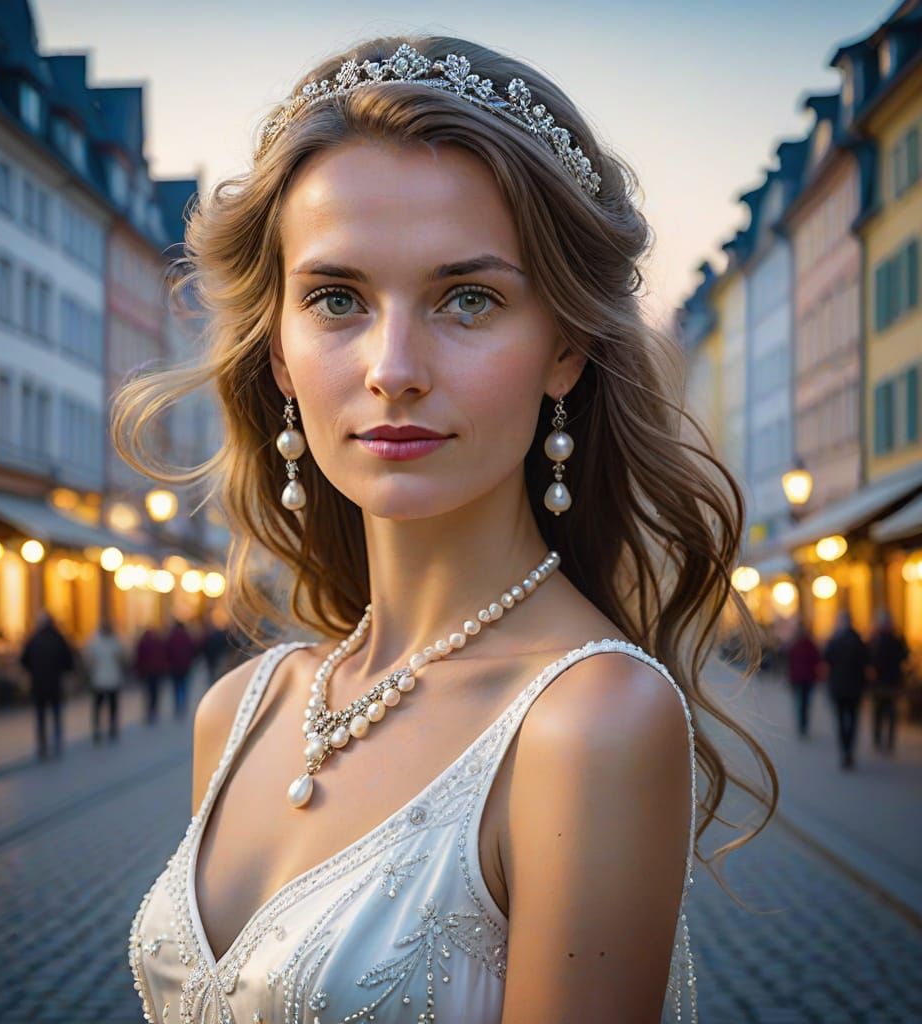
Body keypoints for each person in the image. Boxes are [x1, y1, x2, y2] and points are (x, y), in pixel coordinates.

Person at [115, 36, 779, 1023]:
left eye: (466, 299)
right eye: (335, 299)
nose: (393, 366)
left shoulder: (589, 722)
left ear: (563, 348)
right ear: (282, 356)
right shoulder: (240, 709)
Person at [20, 611, 75, 758]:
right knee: (56, 715)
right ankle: (57, 742)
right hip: (55, 684)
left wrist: (33, 670)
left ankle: (42, 743)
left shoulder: (33, 639)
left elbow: (23, 660)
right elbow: (69, 661)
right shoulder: (59, 639)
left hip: (38, 684)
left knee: (41, 716)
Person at [821, 608, 870, 770]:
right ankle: (849, 749)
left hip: (839, 687)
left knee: (841, 719)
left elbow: (826, 659)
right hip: (855, 688)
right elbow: (866, 662)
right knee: (853, 719)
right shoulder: (858, 640)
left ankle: (844, 749)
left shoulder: (835, 640)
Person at [867, 609, 910, 754]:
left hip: (889, 681)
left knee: (888, 711)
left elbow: (904, 655)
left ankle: (886, 740)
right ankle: (879, 738)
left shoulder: (892, 639)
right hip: (883, 681)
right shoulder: (878, 639)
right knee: (881, 711)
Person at [83, 620, 127, 742]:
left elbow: (122, 657)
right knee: (100, 707)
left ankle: (109, 728)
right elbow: (88, 658)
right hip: (102, 680)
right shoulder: (97, 641)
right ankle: (99, 729)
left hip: (108, 679)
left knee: (108, 707)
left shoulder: (111, 641)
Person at [787, 618, 821, 738]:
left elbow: (816, 661)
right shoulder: (801, 644)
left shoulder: (799, 644)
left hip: (804, 679)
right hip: (804, 679)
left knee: (802, 703)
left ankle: (803, 725)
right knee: (803, 703)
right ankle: (803, 725)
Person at [165, 617, 198, 718]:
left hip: (175, 666)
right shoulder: (186, 636)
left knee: (176, 687)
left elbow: (167, 651)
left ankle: (178, 706)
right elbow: (192, 650)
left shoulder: (172, 636)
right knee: (184, 686)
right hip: (185, 666)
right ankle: (183, 705)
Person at [135, 625, 168, 723]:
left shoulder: (143, 643)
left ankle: (150, 712)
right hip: (155, 671)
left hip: (148, 672)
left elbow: (139, 658)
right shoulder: (158, 642)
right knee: (154, 693)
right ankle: (153, 711)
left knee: (148, 693)